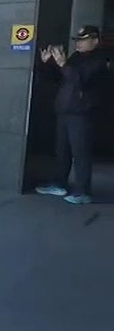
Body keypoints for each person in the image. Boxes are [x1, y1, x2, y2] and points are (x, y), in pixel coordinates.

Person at [35, 25, 108, 204]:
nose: (79, 43)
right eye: (77, 40)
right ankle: (59, 184)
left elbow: (80, 80)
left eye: (83, 40)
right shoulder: (75, 58)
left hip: (82, 113)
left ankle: (82, 192)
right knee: (62, 152)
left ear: (95, 41)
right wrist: (47, 64)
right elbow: (60, 78)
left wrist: (64, 64)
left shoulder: (99, 61)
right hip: (65, 111)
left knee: (81, 154)